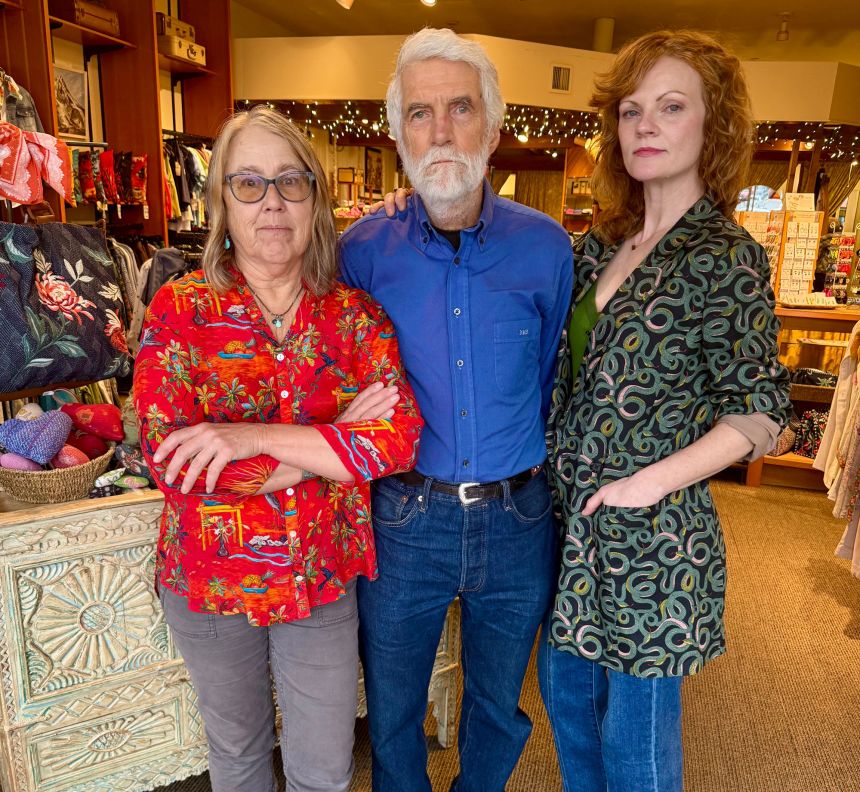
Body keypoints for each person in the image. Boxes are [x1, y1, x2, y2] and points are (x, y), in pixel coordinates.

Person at [133, 105, 423, 792]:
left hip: (320, 576)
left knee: (323, 770)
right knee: (237, 758)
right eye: (249, 183)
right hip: (208, 582)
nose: (272, 202)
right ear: (221, 202)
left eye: (292, 182)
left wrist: (243, 438)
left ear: (315, 201)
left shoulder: (354, 316)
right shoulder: (181, 310)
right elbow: (174, 464)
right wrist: (337, 438)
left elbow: (398, 439)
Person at [540, 30, 792, 791]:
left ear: (710, 126)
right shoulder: (598, 246)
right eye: (631, 109)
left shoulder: (727, 257)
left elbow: (763, 413)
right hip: (568, 527)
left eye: (671, 107)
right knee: (570, 722)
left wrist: (650, 482)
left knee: (636, 751)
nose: (645, 125)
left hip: (654, 544)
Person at [339, 27, 573, 792]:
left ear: (494, 126)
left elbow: (546, 378)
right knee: (396, 707)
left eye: (460, 108)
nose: (440, 130)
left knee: (499, 707)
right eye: (419, 112)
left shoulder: (546, 249)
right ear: (399, 131)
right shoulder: (361, 251)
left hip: (518, 518)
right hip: (406, 516)